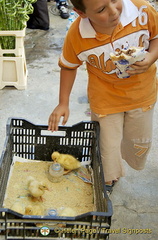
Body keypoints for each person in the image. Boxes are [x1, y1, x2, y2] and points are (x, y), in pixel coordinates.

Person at [48, 0, 158, 192]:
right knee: (107, 147)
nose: (114, 11)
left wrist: (151, 57)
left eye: (114, 0)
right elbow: (68, 65)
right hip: (104, 100)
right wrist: (62, 103)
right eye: (101, 9)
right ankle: (108, 179)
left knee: (137, 141)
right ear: (81, 13)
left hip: (142, 95)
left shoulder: (142, 10)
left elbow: (156, 36)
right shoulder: (77, 35)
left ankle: (125, 159)